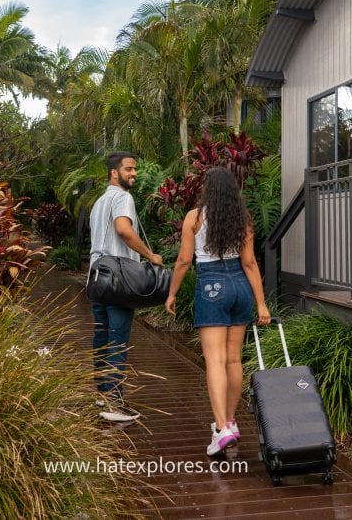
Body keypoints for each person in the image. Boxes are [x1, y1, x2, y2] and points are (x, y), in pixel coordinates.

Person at [164, 166, 271, 456]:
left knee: (215, 361)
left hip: (212, 286)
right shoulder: (243, 219)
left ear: (207, 189)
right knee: (233, 360)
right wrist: (261, 303)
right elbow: (250, 263)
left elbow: (185, 260)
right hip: (240, 287)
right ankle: (231, 423)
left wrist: (172, 293)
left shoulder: (194, 218)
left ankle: (221, 428)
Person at [89, 151, 163, 422]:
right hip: (118, 280)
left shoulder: (99, 202)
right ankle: (114, 403)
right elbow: (124, 230)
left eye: (134, 169)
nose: (134, 173)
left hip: (96, 278)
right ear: (114, 173)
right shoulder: (123, 198)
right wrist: (150, 255)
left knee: (102, 336)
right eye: (129, 169)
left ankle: (103, 391)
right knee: (118, 339)